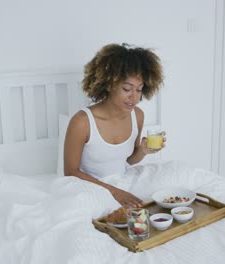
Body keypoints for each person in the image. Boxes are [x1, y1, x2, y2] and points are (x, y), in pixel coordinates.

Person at [63, 43, 165, 208]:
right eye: (127, 89)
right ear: (109, 84)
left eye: (139, 90)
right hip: (90, 188)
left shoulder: (137, 116)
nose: (134, 97)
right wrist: (114, 192)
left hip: (122, 182)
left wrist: (144, 151)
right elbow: (70, 172)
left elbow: (129, 160)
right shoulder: (82, 122)